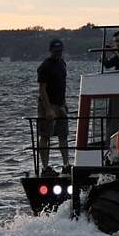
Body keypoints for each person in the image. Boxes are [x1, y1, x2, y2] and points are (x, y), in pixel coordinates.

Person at [37, 39, 70, 176]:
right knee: (45, 136)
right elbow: (42, 89)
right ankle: (45, 168)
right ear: (50, 51)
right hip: (48, 105)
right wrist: (48, 109)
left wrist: (64, 103)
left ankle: (66, 165)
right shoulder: (45, 66)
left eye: (60, 51)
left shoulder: (62, 63)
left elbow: (62, 85)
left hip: (60, 104)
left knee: (63, 135)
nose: (58, 54)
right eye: (56, 51)